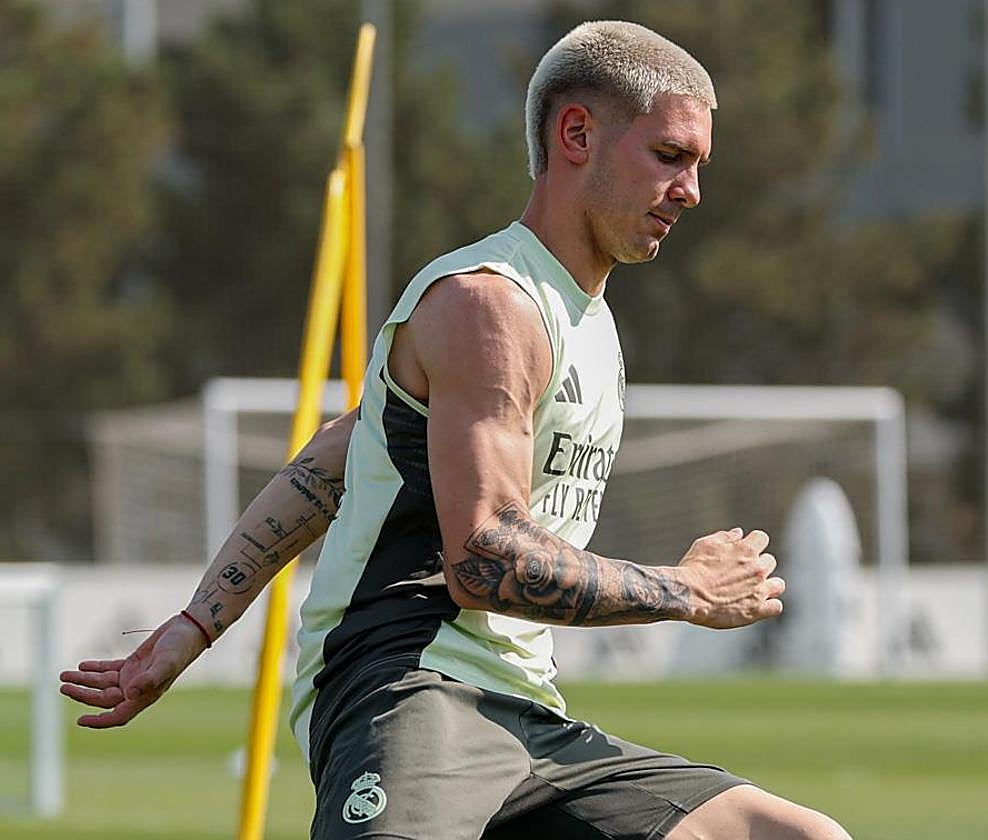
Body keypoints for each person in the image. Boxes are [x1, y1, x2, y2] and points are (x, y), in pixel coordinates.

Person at [61, 20, 852, 840]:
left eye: (696, 165)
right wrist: (685, 590)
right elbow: (484, 561)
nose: (690, 191)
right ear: (576, 134)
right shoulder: (489, 304)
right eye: (668, 156)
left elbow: (337, 458)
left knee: (796, 837)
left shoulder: (588, 321)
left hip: (526, 715)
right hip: (408, 688)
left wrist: (195, 624)